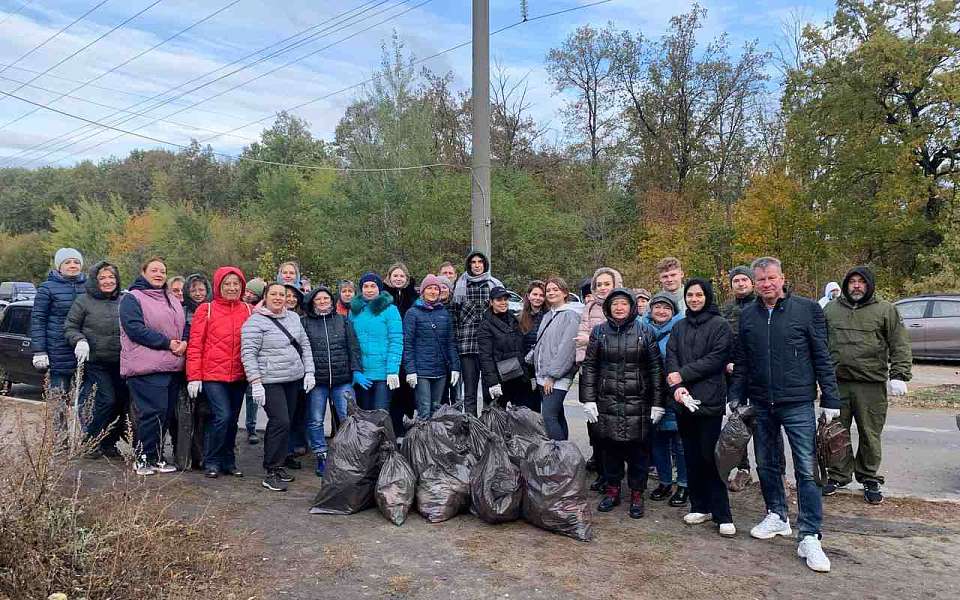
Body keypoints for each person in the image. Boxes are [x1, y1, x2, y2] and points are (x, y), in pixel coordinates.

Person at [729, 256, 840, 573]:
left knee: (806, 469)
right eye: (761, 279)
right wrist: (735, 395)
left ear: (782, 278)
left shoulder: (807, 310)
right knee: (766, 463)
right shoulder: (748, 315)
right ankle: (776, 515)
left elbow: (822, 356)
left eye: (771, 278)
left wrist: (830, 398)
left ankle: (810, 535)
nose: (766, 284)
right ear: (754, 282)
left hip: (797, 402)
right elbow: (743, 361)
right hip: (761, 402)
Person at [823, 266, 912, 504]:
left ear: (869, 284)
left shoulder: (885, 310)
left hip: (871, 384)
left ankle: (869, 476)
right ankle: (838, 474)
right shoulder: (831, 309)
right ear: (845, 284)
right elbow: (819, 344)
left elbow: (899, 343)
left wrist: (900, 374)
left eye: (861, 282)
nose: (856, 286)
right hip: (837, 383)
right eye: (852, 281)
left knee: (870, 433)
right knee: (835, 433)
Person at [580, 288, 665, 519]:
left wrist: (658, 403)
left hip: (638, 402)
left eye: (624, 304)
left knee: (638, 452)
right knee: (610, 450)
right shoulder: (599, 332)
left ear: (631, 307)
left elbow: (656, 370)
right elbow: (590, 367)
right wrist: (587, 399)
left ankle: (637, 494)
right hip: (606, 400)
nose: (619, 308)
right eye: (615, 303)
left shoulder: (645, 332)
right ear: (608, 307)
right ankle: (612, 490)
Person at [665, 279, 735, 537]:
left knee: (711, 457)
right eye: (690, 295)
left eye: (699, 295)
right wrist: (677, 388)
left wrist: (681, 374)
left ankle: (722, 513)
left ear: (707, 296)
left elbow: (716, 359)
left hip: (709, 400)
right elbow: (670, 356)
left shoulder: (720, 325)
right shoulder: (680, 326)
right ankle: (700, 505)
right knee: (691, 455)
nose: (694, 299)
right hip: (684, 400)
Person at [241, 283, 315, 492]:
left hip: (292, 379)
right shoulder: (255, 322)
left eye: (282, 295)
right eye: (273, 294)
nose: (278, 298)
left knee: (287, 422)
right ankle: (271, 469)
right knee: (279, 420)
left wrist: (309, 371)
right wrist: (255, 382)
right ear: (265, 297)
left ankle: (280, 464)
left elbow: (305, 345)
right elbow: (248, 354)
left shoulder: (293, 318)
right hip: (269, 381)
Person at [119, 257, 186, 476]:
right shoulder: (132, 298)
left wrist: (184, 341)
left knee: (165, 414)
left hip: (172, 365)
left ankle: (156, 456)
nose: (159, 274)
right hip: (145, 367)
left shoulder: (170, 298)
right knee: (151, 413)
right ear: (143, 272)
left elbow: (182, 325)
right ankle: (142, 457)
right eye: (154, 270)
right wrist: (167, 343)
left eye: (162, 271)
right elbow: (135, 329)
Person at [186, 267, 252, 479]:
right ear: (218, 286)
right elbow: (196, 345)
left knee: (232, 420)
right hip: (213, 375)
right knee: (221, 417)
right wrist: (194, 376)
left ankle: (229, 461)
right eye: (227, 284)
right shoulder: (206, 310)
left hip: (239, 375)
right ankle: (212, 460)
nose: (232, 288)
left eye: (236, 284)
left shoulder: (249, 311)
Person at [64, 260, 127, 459]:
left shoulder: (124, 300)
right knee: (106, 400)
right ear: (95, 280)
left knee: (120, 403)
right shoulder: (84, 301)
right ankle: (90, 441)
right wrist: (79, 340)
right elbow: (70, 327)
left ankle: (109, 442)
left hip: (121, 361)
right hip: (96, 361)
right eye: (103, 278)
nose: (108, 281)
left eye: (111, 277)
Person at [301, 286, 361, 477]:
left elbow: (353, 346)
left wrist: (356, 370)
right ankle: (321, 455)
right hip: (317, 381)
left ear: (331, 300)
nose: (322, 302)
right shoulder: (305, 323)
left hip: (342, 378)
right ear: (312, 302)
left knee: (347, 418)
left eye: (326, 298)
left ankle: (346, 454)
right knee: (316, 419)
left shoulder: (342, 321)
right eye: (318, 299)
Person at [575, 267, 623, 492]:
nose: (603, 288)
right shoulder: (590, 306)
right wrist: (581, 364)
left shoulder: (620, 306)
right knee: (594, 426)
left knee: (612, 427)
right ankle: (603, 472)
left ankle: (614, 476)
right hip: (590, 371)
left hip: (613, 375)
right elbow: (580, 338)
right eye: (599, 284)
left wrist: (591, 341)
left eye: (607, 284)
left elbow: (618, 342)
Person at [642, 293, 688, 507]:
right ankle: (664, 481)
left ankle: (684, 484)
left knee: (679, 442)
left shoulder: (681, 329)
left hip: (674, 390)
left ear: (673, 312)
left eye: (666, 308)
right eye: (657, 307)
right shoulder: (641, 328)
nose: (661, 311)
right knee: (658, 441)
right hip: (650, 392)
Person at [30, 247, 87, 396]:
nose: (73, 265)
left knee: (85, 400)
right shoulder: (47, 288)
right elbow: (38, 319)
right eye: (68, 262)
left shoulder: (90, 286)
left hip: (85, 349)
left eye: (76, 262)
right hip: (58, 351)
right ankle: (58, 420)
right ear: (59, 266)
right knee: (58, 397)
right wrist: (39, 350)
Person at [529, 277, 580, 440]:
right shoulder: (548, 316)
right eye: (548, 290)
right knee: (557, 415)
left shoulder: (570, 316)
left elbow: (567, 349)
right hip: (543, 375)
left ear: (565, 293)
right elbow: (542, 344)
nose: (551, 293)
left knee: (548, 417)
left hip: (557, 377)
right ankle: (566, 454)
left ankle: (558, 454)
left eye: (555, 289)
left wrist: (552, 376)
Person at [402, 275, 460, 419]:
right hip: (421, 371)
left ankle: (434, 440)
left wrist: (455, 367)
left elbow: (450, 343)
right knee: (424, 409)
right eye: (430, 288)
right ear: (423, 291)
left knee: (436, 409)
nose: (433, 292)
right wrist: (410, 370)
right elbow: (407, 344)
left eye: (436, 289)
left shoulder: (444, 313)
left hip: (440, 370)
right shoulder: (412, 313)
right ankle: (422, 440)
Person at [452, 251, 503, 416]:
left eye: (480, 262)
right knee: (470, 392)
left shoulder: (495, 285)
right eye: (473, 262)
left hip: (489, 346)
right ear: (469, 265)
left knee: (490, 390)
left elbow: (502, 314)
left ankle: (489, 425)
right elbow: (455, 317)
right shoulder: (460, 286)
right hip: (467, 346)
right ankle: (471, 426)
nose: (476, 265)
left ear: (485, 264)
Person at [721, 265, 757, 492]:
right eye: (737, 281)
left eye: (745, 279)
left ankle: (774, 472)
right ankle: (743, 469)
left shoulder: (760, 306)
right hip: (731, 376)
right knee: (737, 423)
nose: (741, 284)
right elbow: (720, 339)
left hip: (757, 375)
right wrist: (726, 362)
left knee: (764, 424)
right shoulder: (725, 309)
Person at [349, 272, 403, 413]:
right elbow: (351, 343)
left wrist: (392, 370)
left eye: (373, 286)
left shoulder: (390, 310)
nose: (369, 289)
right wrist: (355, 370)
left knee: (380, 415)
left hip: (383, 373)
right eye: (366, 286)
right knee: (363, 416)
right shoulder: (354, 311)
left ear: (379, 288)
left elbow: (396, 341)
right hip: (362, 373)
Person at [477, 286, 530, 408]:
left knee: (519, 419)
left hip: (517, 377)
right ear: (491, 302)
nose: (503, 303)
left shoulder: (513, 319)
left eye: (505, 299)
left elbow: (520, 349)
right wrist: (493, 382)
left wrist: (527, 375)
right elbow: (486, 357)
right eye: (499, 299)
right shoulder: (485, 325)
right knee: (496, 420)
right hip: (498, 379)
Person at [385, 262, 418, 433]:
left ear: (406, 278)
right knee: (393, 393)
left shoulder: (413, 297)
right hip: (390, 350)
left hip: (409, 348)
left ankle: (406, 430)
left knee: (409, 392)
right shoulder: (382, 296)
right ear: (389, 277)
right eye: (395, 275)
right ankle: (395, 429)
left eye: (401, 276)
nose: (398, 279)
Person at [242, 277, 266, 445]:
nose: (248, 295)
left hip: (253, 359)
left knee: (252, 397)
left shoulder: (260, 311)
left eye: (252, 293)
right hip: (236, 356)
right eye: (247, 291)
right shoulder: (238, 306)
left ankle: (251, 428)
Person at [517, 280, 546, 410]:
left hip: (542, 368)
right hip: (524, 371)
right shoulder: (520, 318)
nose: (538, 298)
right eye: (535, 294)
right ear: (528, 296)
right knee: (524, 406)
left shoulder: (548, 317)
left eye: (541, 295)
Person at [183, 273, 212, 338]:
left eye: (201, 290)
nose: (197, 294)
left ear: (207, 291)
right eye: (193, 291)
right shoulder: (183, 311)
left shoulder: (214, 309)